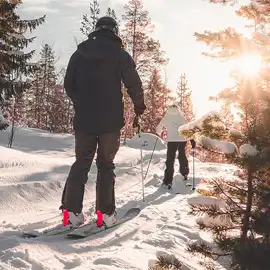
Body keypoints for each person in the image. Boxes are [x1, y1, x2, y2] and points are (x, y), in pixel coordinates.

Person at [60, 16, 146, 228]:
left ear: (96, 30)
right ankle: (105, 214)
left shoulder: (79, 54)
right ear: (114, 31)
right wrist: (139, 107)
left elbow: (68, 84)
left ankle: (71, 212)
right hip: (110, 121)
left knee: (81, 163)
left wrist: (81, 102)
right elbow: (133, 84)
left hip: (84, 120)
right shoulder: (119, 54)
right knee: (106, 165)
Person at [156, 104, 196, 189]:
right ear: (178, 110)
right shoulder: (182, 118)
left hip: (171, 141)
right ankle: (184, 173)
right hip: (182, 140)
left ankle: (168, 180)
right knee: (182, 155)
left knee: (170, 159)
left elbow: (158, 129)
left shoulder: (167, 117)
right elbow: (188, 129)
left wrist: (160, 133)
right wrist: (192, 140)